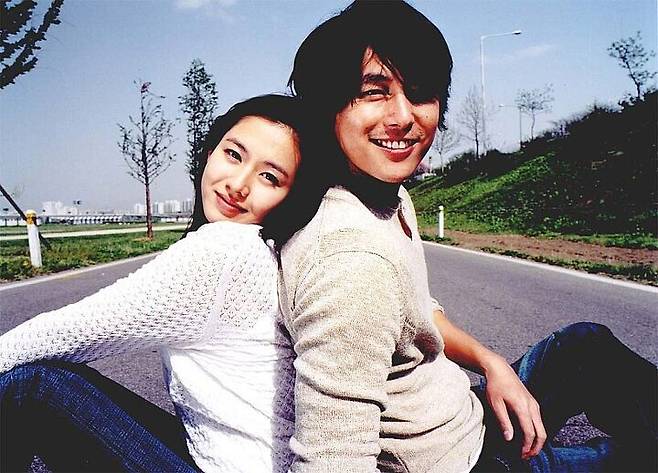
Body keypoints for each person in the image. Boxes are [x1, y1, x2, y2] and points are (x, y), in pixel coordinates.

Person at [279, 1, 657, 472]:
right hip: (461, 462)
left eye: (420, 93)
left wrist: (489, 361)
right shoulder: (351, 264)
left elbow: (415, 312)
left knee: (584, 346)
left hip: (466, 417)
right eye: (374, 92)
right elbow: (332, 460)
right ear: (326, 106)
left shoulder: (386, 195)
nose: (403, 117)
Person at [0, 94, 323, 473]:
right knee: (58, 380)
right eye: (234, 155)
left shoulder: (223, 251)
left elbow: (66, 334)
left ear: (289, 198)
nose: (238, 184)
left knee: (34, 385)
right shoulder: (260, 250)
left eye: (269, 177)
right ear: (210, 153)